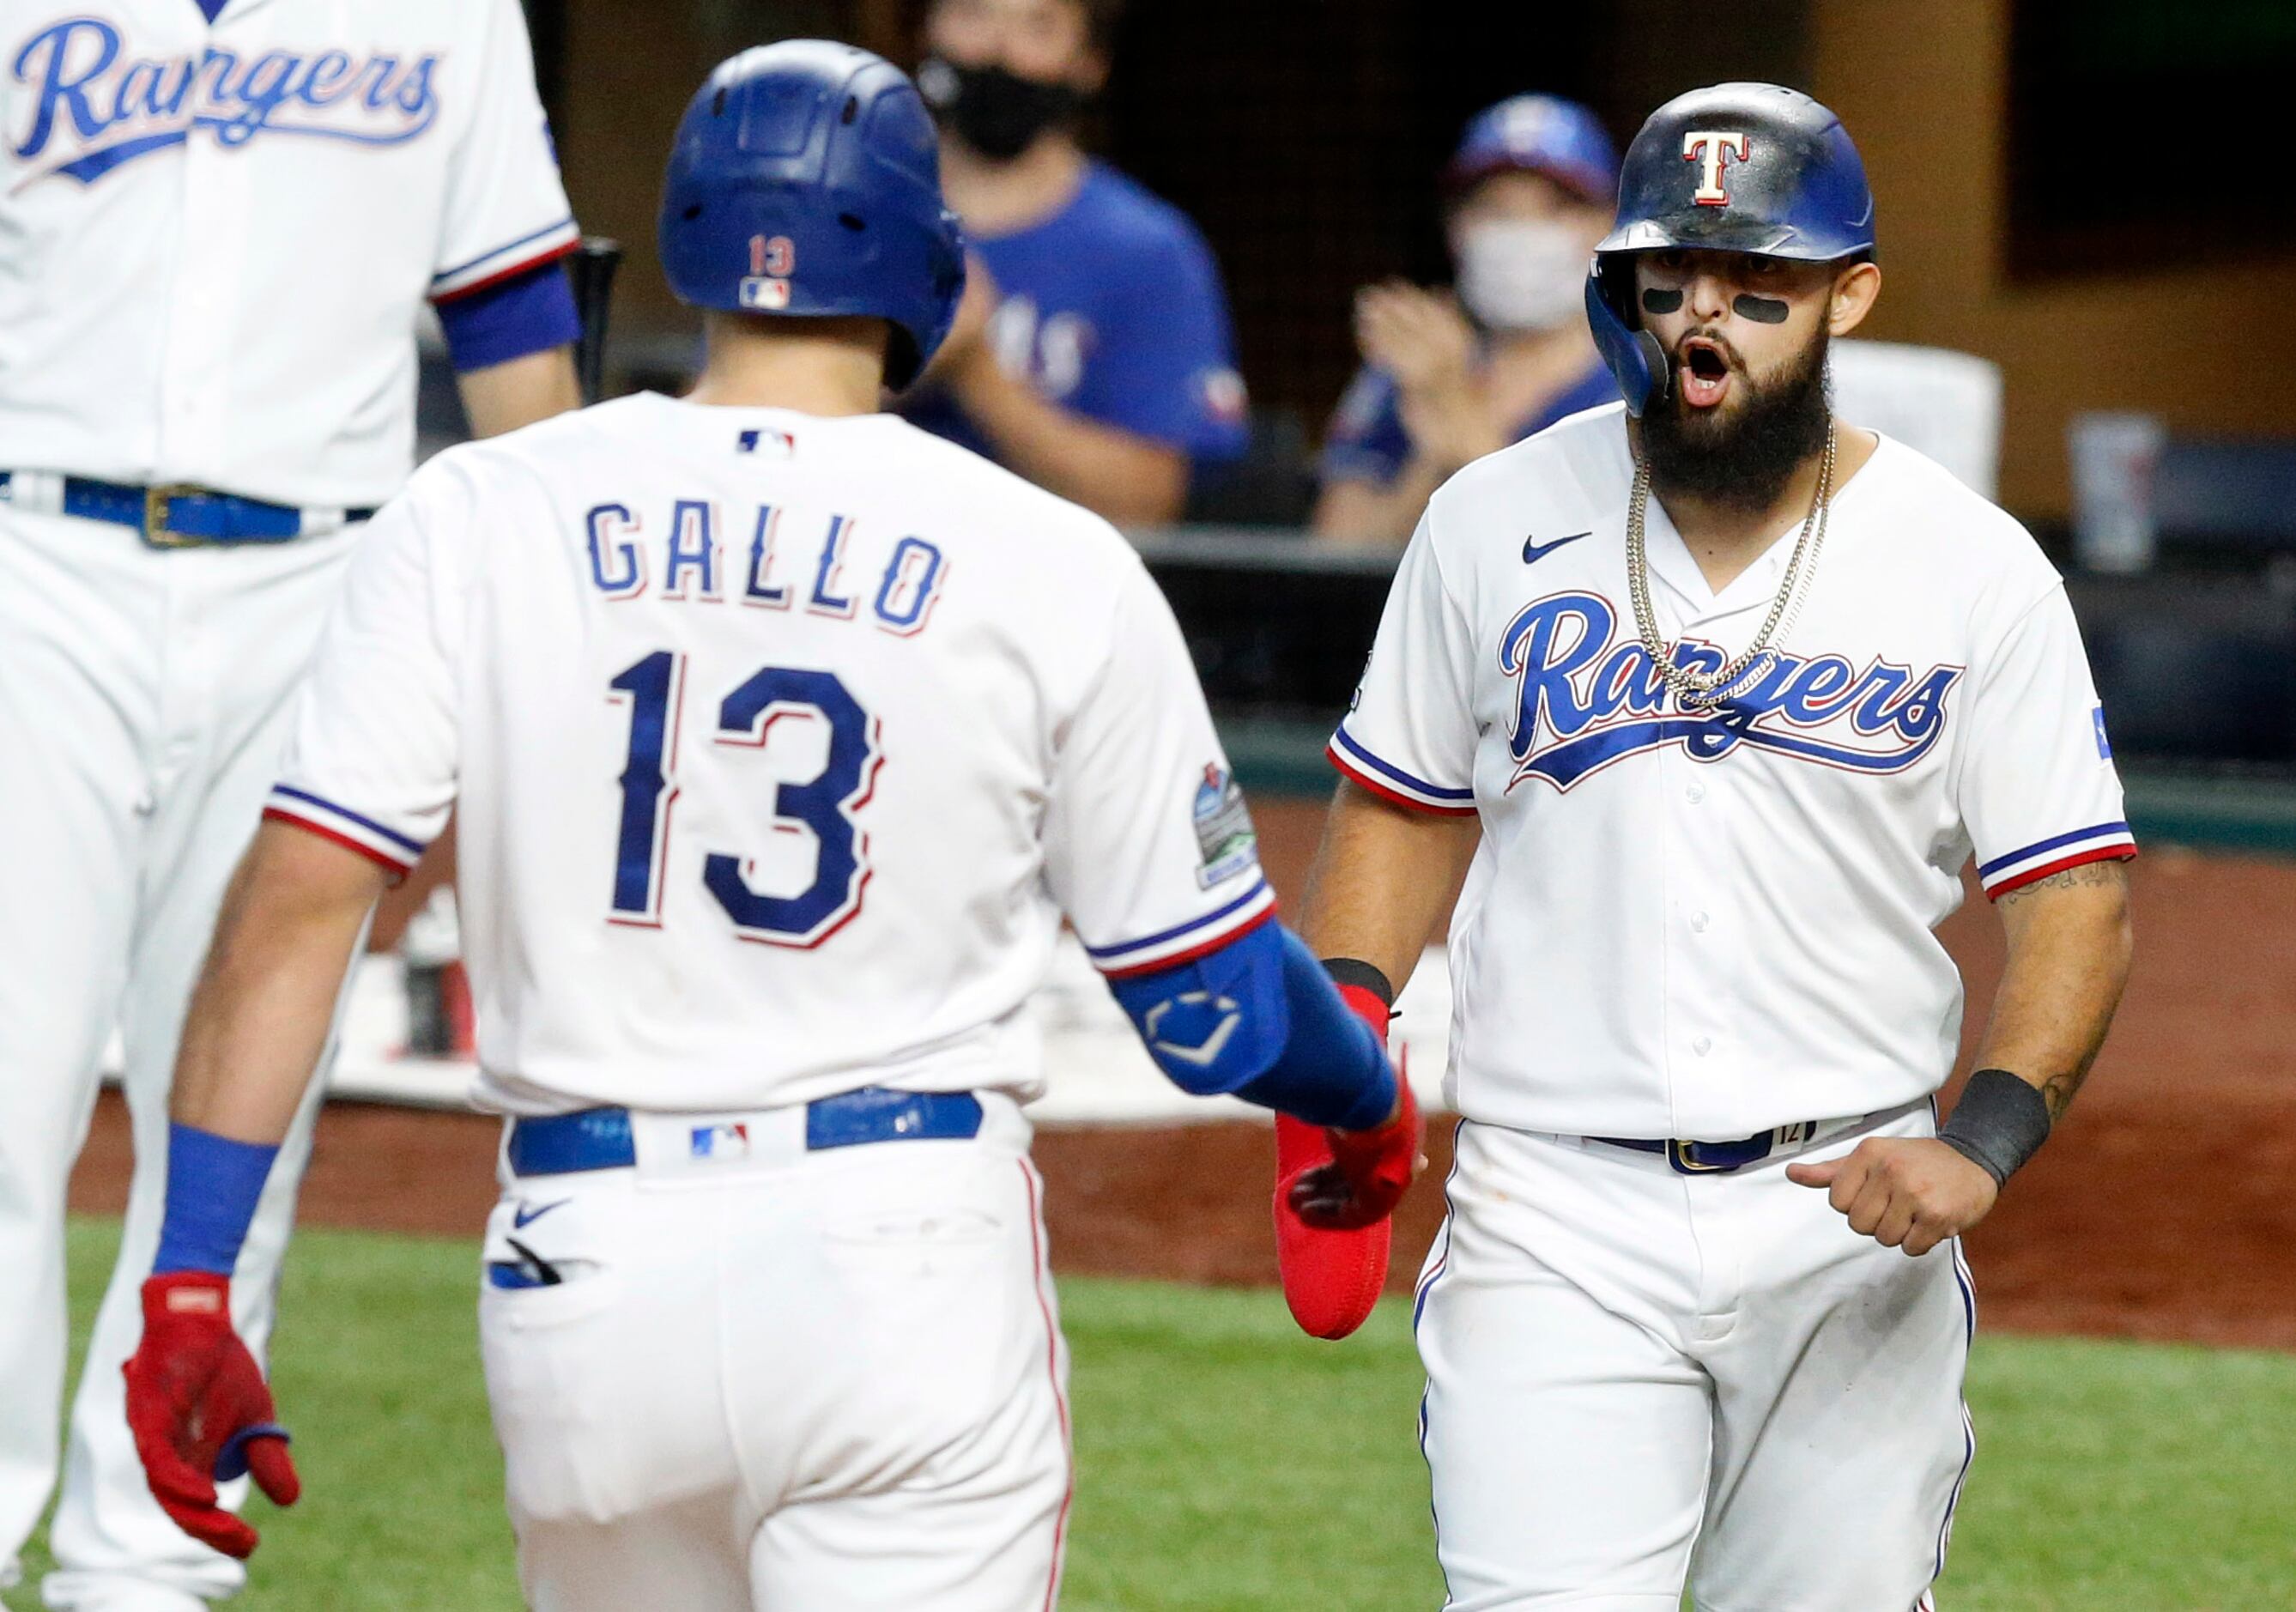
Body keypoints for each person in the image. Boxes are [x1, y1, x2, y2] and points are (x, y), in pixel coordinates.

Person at [117, 42, 1417, 1611]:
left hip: (584, 1273)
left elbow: (295, 908)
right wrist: (1358, 1088)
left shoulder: (479, 507)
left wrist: (190, 1277)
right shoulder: (1044, 555)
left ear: (686, 239)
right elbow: (1206, 1006)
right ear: (930, 262)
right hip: (896, 1264)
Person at [1304, 84, 2136, 1607]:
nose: (1708, 322)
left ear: (1848, 295)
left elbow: (2076, 897)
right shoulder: (1490, 518)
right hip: (1551, 1216)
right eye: (1671, 281)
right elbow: (1398, 813)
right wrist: (1345, 1040)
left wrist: (1985, 1140)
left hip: (1847, 1218)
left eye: (1760, 289)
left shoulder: (1973, 566)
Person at [0, 3, 585, 1607]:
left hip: (327, 578)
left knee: (243, 1102)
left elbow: (515, 319)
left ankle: (142, 1568)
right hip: (31, 554)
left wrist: (539, 642)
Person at [900, 0, 1249, 525]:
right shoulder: (852, 218)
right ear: (928, 30)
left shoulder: (1148, 250)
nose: (999, 52)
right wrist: (891, 365)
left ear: (1090, 63)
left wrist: (977, 371)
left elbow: (1150, 507)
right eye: (973, 14)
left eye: (1038, 26)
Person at [1312, 94, 1620, 543]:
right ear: (1455, 228)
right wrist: (1433, 455)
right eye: (1495, 208)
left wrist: (1461, 420)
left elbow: (1587, 566)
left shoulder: (1638, 377)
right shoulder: (1413, 362)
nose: (1522, 231)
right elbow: (1334, 558)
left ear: (1610, 224)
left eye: (1555, 208)